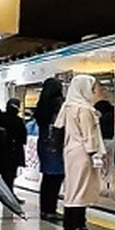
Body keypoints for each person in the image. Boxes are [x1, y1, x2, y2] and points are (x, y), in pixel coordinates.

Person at [56, 75, 105, 230]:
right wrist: (94, 154)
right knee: (82, 189)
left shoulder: (68, 106)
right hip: (83, 153)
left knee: (72, 188)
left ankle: (68, 224)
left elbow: (58, 126)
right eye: (92, 88)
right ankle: (79, 225)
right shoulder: (84, 109)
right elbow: (88, 134)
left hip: (70, 151)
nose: (94, 91)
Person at [34, 78, 66, 221]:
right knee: (56, 178)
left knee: (47, 178)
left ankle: (44, 210)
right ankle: (51, 210)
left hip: (44, 143)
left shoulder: (41, 104)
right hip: (56, 144)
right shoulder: (59, 102)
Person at [0, 99, 27, 195]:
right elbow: (23, 137)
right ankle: (9, 193)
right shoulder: (18, 120)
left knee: (3, 172)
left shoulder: (0, 117)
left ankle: (3, 191)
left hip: (1, 149)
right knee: (11, 173)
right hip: (14, 150)